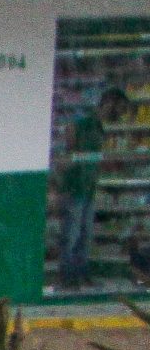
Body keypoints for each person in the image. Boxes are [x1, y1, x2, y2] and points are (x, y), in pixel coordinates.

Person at [59, 87, 126, 293]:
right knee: (72, 233)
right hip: (75, 186)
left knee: (85, 233)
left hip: (88, 187)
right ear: (109, 102)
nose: (120, 114)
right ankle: (68, 277)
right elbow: (70, 137)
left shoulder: (97, 125)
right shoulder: (86, 121)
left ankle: (81, 274)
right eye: (119, 108)